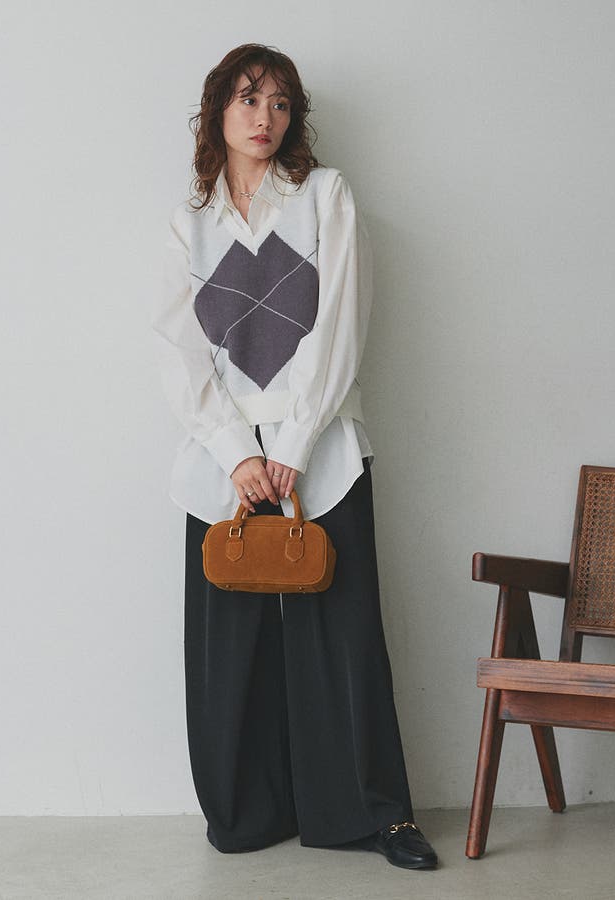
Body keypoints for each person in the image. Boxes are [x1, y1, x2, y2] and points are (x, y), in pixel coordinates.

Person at [151, 43, 438, 871]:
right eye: (248, 99)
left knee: (343, 638)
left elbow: (342, 322)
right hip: (225, 465)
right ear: (217, 112)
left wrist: (294, 443)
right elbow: (178, 350)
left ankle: (375, 816)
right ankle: (246, 811)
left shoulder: (324, 197)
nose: (265, 117)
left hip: (322, 451)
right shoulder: (189, 224)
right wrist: (238, 454)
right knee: (227, 649)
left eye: (279, 103)